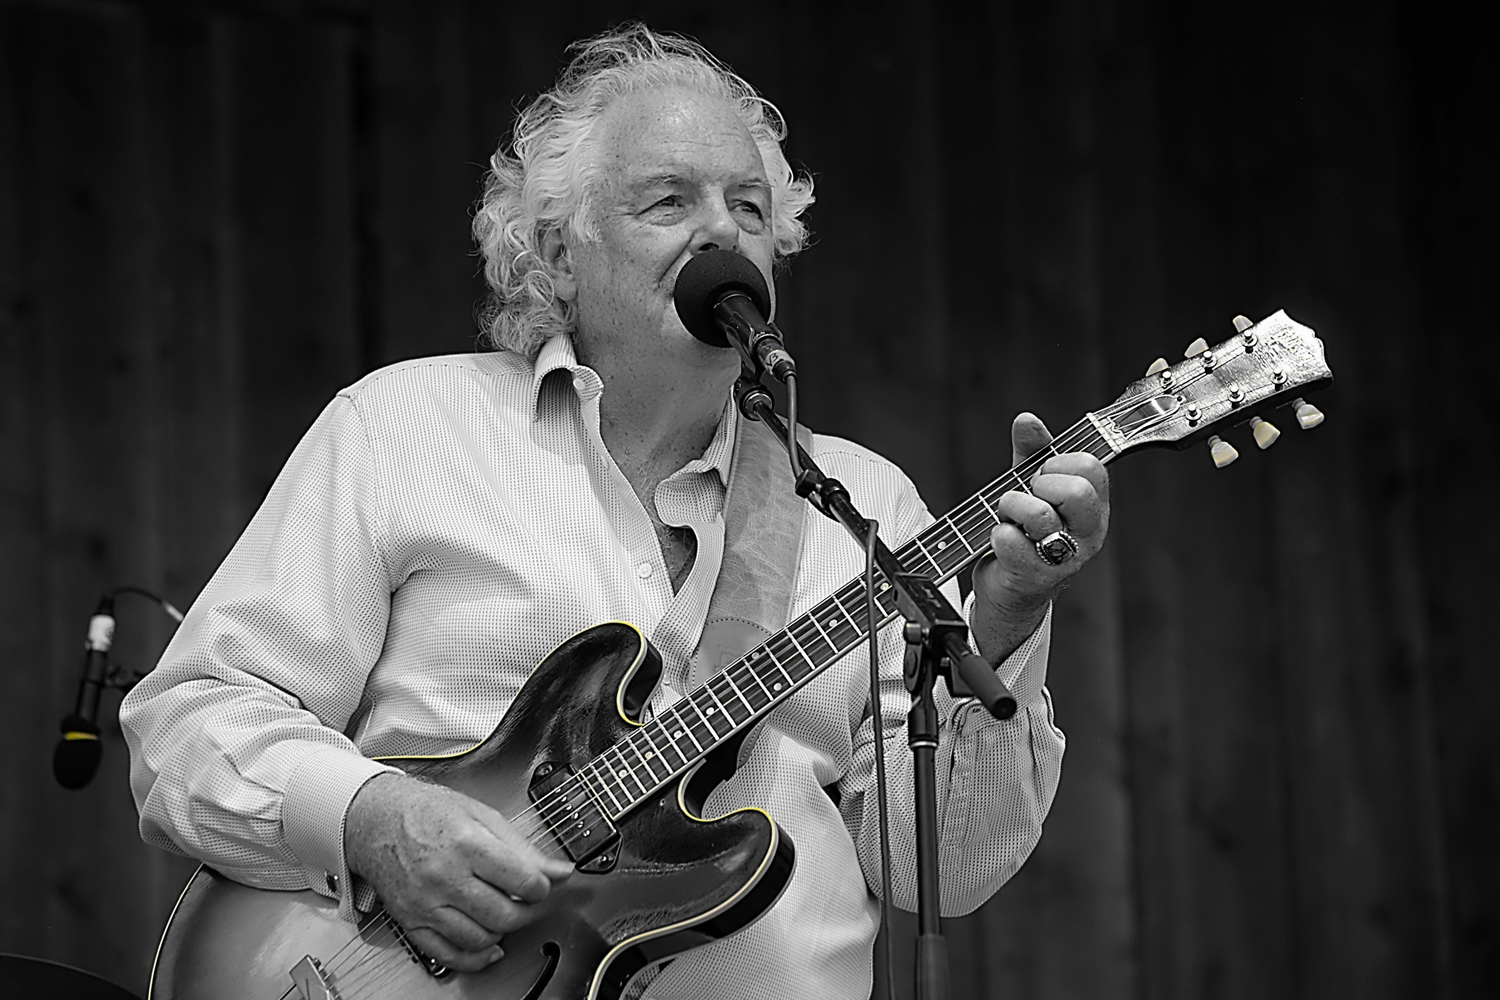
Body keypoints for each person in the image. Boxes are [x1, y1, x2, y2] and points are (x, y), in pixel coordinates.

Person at [121, 24, 1109, 1000]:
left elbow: (943, 871)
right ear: (560, 251)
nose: (723, 232)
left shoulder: (867, 505)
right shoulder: (403, 427)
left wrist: (1009, 615)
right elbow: (190, 717)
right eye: (670, 200)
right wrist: (370, 818)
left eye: (750, 207)